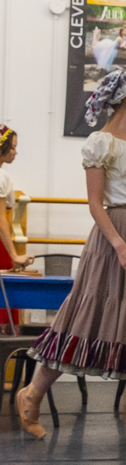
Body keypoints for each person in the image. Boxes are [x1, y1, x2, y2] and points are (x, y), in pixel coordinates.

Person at [20, 71, 126, 449]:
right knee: (87, 317)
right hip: (114, 240)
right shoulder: (101, 144)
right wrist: (119, 246)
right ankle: (31, 395)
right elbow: (96, 204)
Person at [0, 125, 34, 328]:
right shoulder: (2, 177)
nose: (15, 152)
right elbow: (1, 219)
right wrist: (14, 255)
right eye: (12, 147)